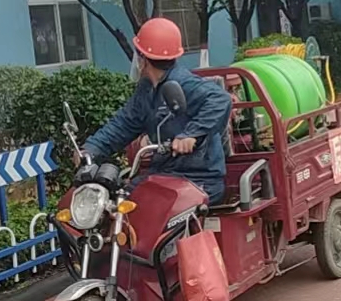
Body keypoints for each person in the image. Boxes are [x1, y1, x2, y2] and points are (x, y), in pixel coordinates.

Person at [82, 18, 233, 202]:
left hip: (199, 180)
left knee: (148, 210)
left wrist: (190, 134)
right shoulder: (146, 90)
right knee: (118, 203)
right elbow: (124, 123)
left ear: (143, 59)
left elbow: (221, 99)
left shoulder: (184, 83)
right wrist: (93, 147)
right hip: (164, 175)